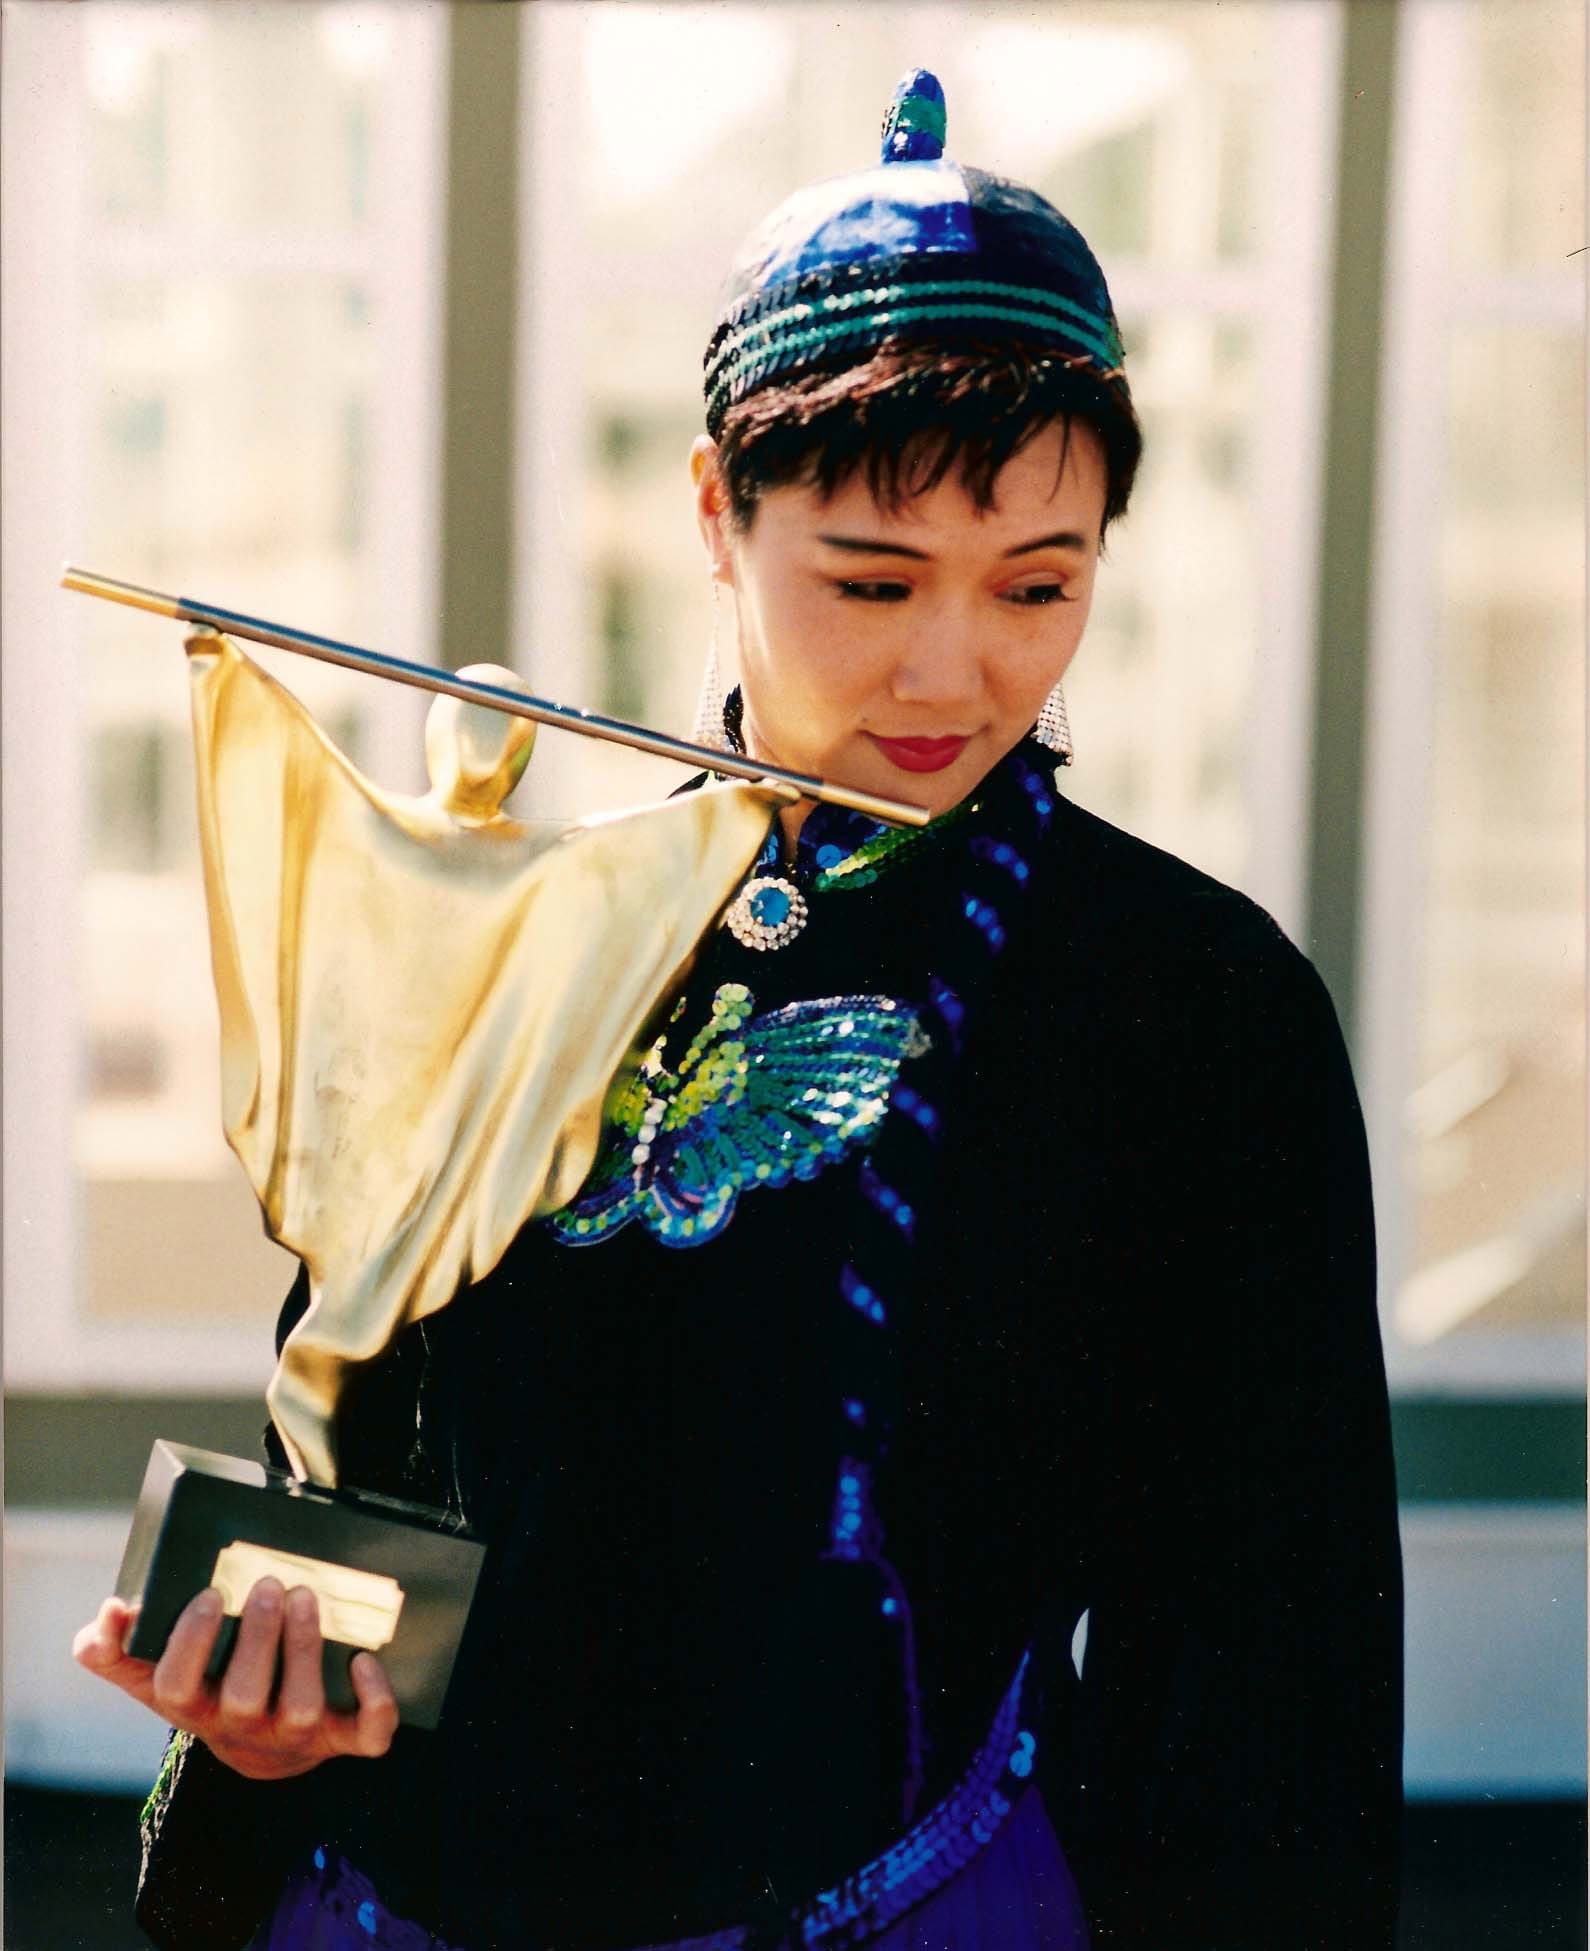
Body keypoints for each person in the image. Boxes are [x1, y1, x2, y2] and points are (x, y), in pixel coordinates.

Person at [75, 68, 1404, 1951]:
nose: (953, 669)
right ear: (717, 508)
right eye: (871, 579)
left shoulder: (1188, 1007)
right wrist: (262, 1724)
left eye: (1038, 585)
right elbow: (350, 1475)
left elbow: (1264, 1663)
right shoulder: (521, 931)